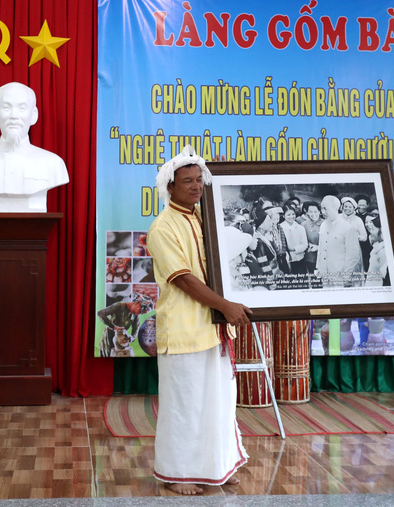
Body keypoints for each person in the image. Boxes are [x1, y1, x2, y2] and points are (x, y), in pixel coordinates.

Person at [146, 145, 251, 495]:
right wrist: (227, 305)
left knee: (218, 401)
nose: (195, 186)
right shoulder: (162, 227)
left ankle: (217, 466)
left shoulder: (203, 219)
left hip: (214, 327)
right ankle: (178, 473)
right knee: (185, 405)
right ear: (170, 188)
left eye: (198, 180)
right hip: (184, 329)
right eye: (187, 181)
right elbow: (184, 279)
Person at [0, 82, 69, 212]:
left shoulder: (53, 163)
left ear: (34, 115)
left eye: (22, 108)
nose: (14, 116)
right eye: (6, 108)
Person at [316, 195, 363, 287]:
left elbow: (353, 256)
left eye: (325, 209)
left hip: (340, 276)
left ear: (336, 208)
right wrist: (319, 268)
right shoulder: (323, 225)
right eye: (321, 208)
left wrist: (346, 278)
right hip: (325, 274)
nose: (323, 212)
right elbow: (321, 249)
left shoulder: (348, 228)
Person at [364, 215, 390, 287]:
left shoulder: (383, 252)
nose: (371, 234)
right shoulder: (377, 247)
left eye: (373, 230)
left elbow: (384, 276)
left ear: (381, 230)